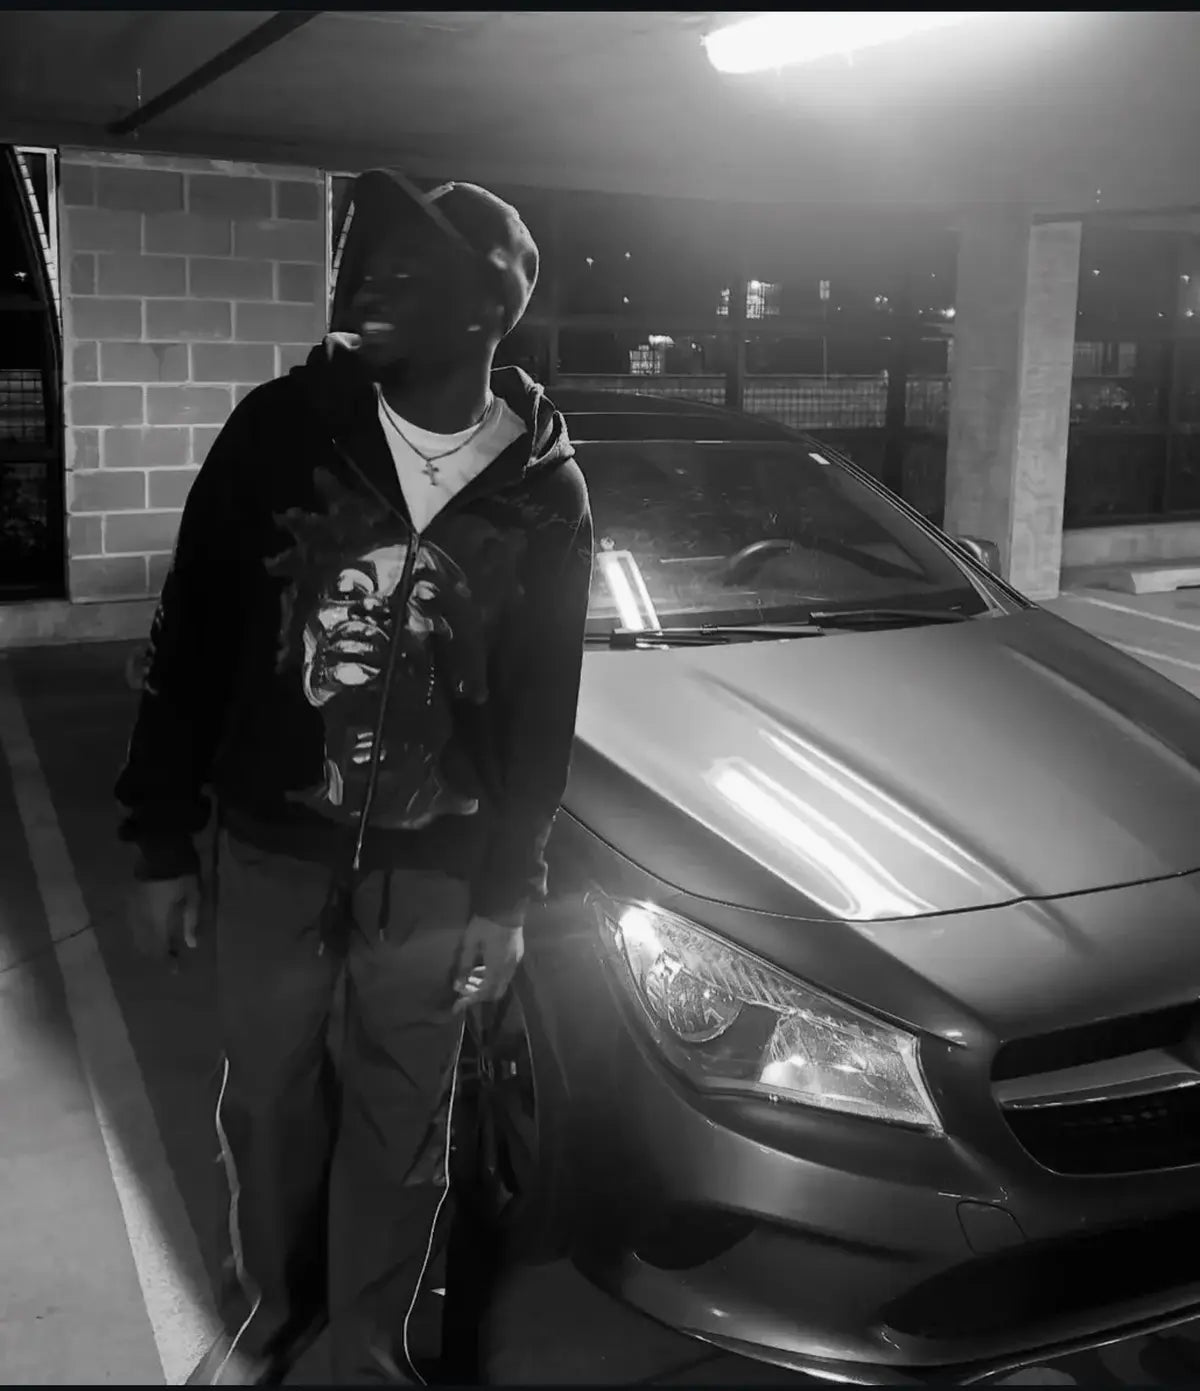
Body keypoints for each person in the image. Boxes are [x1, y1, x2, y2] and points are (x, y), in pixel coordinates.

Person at [115, 170, 593, 1385]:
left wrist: (509, 891)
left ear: (487, 309)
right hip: (273, 847)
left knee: (404, 1115)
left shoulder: (543, 488)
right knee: (269, 1102)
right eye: (367, 265)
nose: (369, 289)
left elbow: (542, 706)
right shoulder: (282, 430)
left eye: (405, 271)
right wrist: (161, 838)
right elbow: (194, 633)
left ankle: (367, 1349)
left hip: (438, 874)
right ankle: (279, 1311)